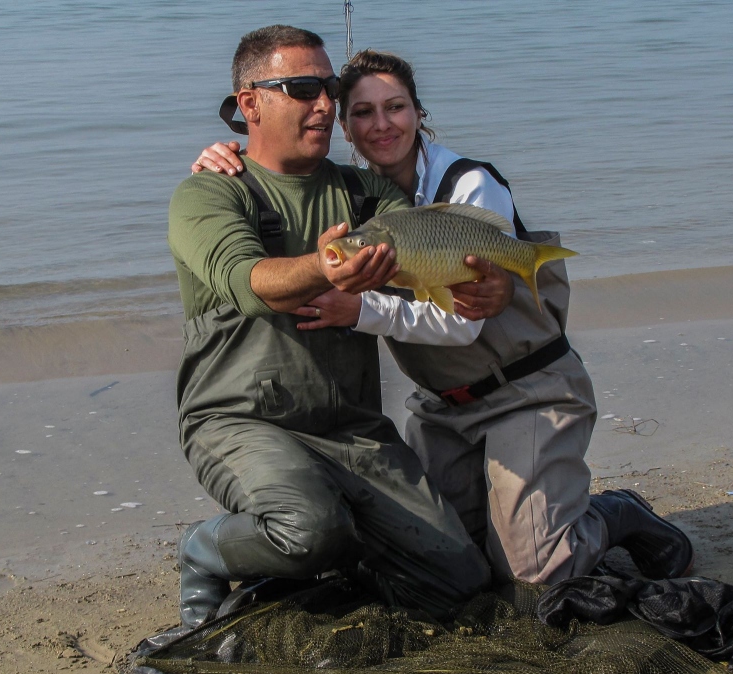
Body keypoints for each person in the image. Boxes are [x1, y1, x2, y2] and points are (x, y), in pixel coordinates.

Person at [193, 49, 694, 585]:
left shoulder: (469, 185)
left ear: (418, 112)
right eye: (362, 112)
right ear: (343, 124)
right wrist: (229, 161)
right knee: (446, 567)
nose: (382, 125)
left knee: (533, 573)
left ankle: (613, 513)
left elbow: (461, 324)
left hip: (527, 392)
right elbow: (288, 195)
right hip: (440, 408)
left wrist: (358, 309)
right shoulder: (361, 200)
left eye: (396, 107)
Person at [168, 27, 507, 629]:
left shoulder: (365, 191)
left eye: (327, 88)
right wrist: (328, 265)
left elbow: (428, 257)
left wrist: (489, 282)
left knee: (461, 584)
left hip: (353, 429)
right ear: (250, 104)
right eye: (301, 89)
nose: (324, 104)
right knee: (311, 528)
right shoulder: (209, 193)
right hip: (242, 420)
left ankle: (339, 550)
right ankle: (205, 551)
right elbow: (252, 285)